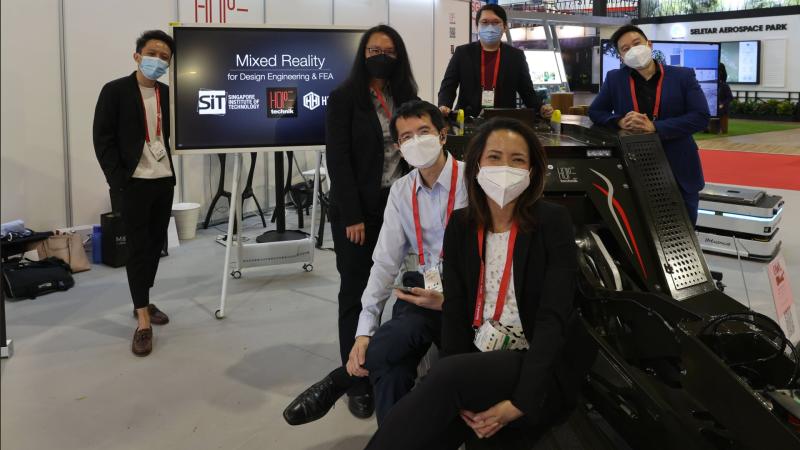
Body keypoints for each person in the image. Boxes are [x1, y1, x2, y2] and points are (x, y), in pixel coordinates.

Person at [364, 118, 594, 449]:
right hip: (478, 359)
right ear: (476, 166)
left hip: (535, 362)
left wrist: (519, 403)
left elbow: (552, 319)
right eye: (494, 157)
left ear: (532, 171)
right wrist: (463, 391)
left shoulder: (552, 222)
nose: (505, 168)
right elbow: (456, 313)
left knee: (444, 379)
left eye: (517, 160)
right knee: (432, 419)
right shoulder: (461, 225)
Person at [284, 100, 467, 425]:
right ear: (398, 148)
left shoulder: (472, 180)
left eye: (423, 132)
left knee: (408, 328)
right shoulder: (401, 191)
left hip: (465, 291)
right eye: (406, 137)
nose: (415, 141)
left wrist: (451, 298)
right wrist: (364, 332)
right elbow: (384, 263)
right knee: (391, 371)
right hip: (423, 284)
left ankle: (341, 380)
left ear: (442, 135)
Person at [324, 24, 419, 418]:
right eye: (374, 50)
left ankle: (391, 366)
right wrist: (352, 215)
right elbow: (338, 159)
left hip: (398, 205)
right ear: (363, 54)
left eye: (389, 50)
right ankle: (356, 379)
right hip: (358, 211)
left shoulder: (407, 97)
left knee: (404, 288)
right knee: (357, 291)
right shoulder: (344, 97)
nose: (381, 56)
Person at [92, 30, 175, 357]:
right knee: (137, 249)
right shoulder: (115, 91)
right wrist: (118, 181)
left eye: (165, 57)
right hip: (132, 184)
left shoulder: (167, 94)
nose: (158, 60)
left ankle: (143, 299)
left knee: (155, 246)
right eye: (152, 53)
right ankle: (142, 320)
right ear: (137, 55)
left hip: (163, 181)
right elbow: (102, 139)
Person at [589, 25, 709, 225]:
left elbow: (701, 116)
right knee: (640, 229)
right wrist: (619, 120)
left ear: (649, 45)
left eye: (636, 43)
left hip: (679, 167)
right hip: (634, 166)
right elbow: (596, 111)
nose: (633, 50)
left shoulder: (682, 76)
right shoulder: (615, 79)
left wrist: (656, 127)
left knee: (685, 229)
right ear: (621, 57)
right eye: (625, 48)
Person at [438, 4, 553, 120]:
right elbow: (448, 85)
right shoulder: (462, 53)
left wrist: (540, 108)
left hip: (504, 120)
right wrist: (444, 105)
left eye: (495, 22)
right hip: (468, 119)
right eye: (484, 22)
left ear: (505, 27)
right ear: (477, 26)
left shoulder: (516, 56)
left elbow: (527, 91)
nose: (490, 27)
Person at [718, 63, 733, 134]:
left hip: (722, 109)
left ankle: (721, 128)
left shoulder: (724, 85)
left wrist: (722, 104)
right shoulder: (714, 85)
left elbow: (730, 97)